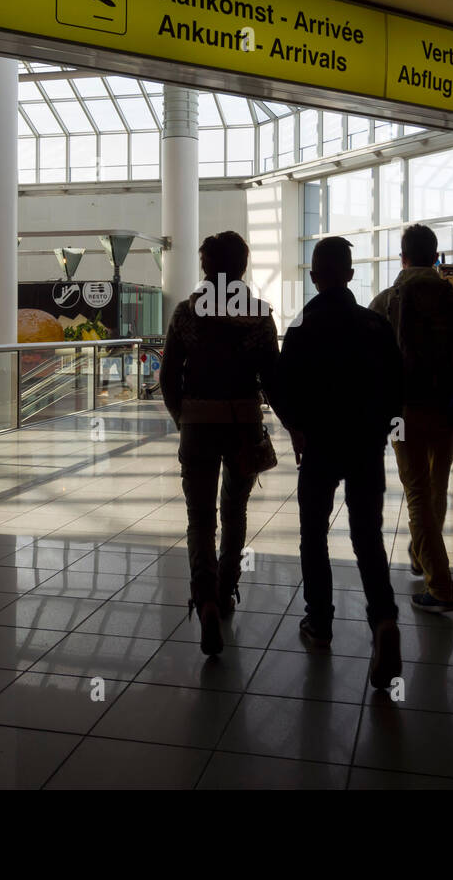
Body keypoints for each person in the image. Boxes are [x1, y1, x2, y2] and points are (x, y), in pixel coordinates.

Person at [275, 237, 404, 690]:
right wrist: (383, 430)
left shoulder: (303, 328)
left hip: (321, 445)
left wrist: (296, 426)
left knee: (314, 533)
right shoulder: (375, 326)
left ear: (315, 277)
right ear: (350, 275)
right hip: (365, 443)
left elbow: (282, 386)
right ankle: (383, 618)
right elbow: (396, 387)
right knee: (367, 534)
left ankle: (320, 623)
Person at [159, 231, 280, 657]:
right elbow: (273, 379)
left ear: (206, 267)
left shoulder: (186, 314)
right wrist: (294, 427)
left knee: (199, 517)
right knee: (235, 509)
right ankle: (227, 590)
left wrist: (184, 416)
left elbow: (168, 376)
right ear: (243, 267)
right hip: (244, 423)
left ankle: (205, 598)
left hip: (198, 424)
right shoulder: (260, 316)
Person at [371, 224, 453, 614]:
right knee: (435, 488)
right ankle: (424, 556)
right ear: (436, 256)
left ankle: (440, 586)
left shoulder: (388, 300)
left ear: (402, 257)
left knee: (417, 494)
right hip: (447, 407)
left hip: (403, 411)